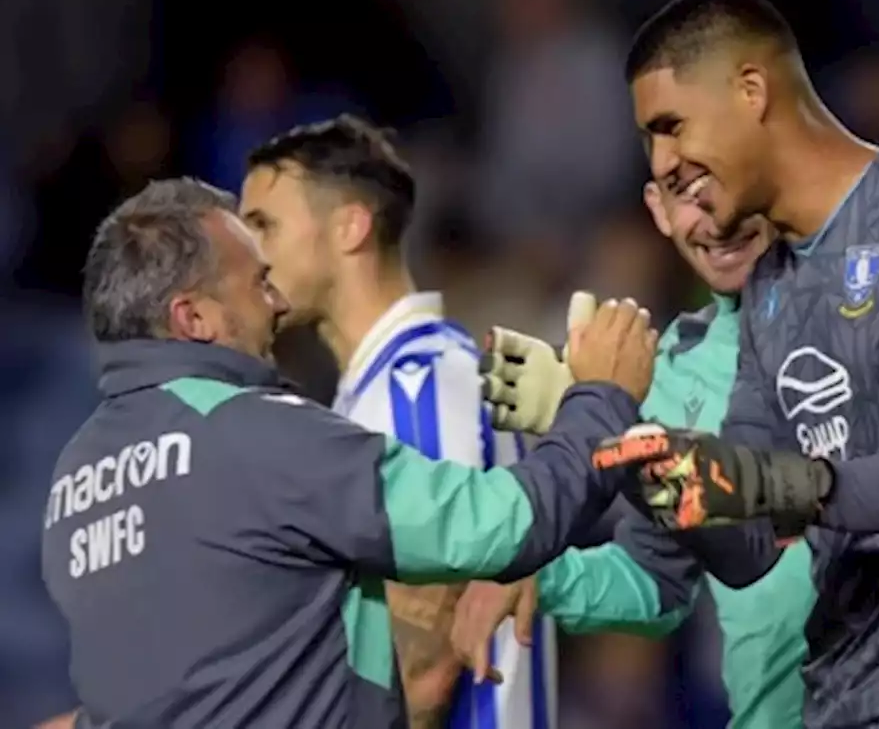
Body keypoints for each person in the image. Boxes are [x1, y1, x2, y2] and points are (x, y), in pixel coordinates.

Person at [40, 177, 656, 729]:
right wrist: (601, 400)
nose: (277, 304)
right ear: (193, 317)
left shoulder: (73, 480)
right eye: (256, 284)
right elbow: (503, 523)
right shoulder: (256, 434)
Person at [588, 0, 879, 728]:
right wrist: (661, 479)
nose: (665, 163)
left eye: (671, 126)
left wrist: (793, 483)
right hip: (836, 701)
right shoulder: (771, 287)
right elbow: (751, 543)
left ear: (751, 90)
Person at [238, 114, 561, 729]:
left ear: (351, 227)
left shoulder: (417, 385)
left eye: (264, 227)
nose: (250, 256)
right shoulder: (381, 389)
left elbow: (431, 646)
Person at [455, 178, 814, 729]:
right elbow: (660, 579)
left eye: (720, 178)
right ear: (659, 210)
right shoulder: (671, 362)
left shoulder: (865, 302)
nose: (712, 216)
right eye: (682, 190)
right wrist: (538, 575)